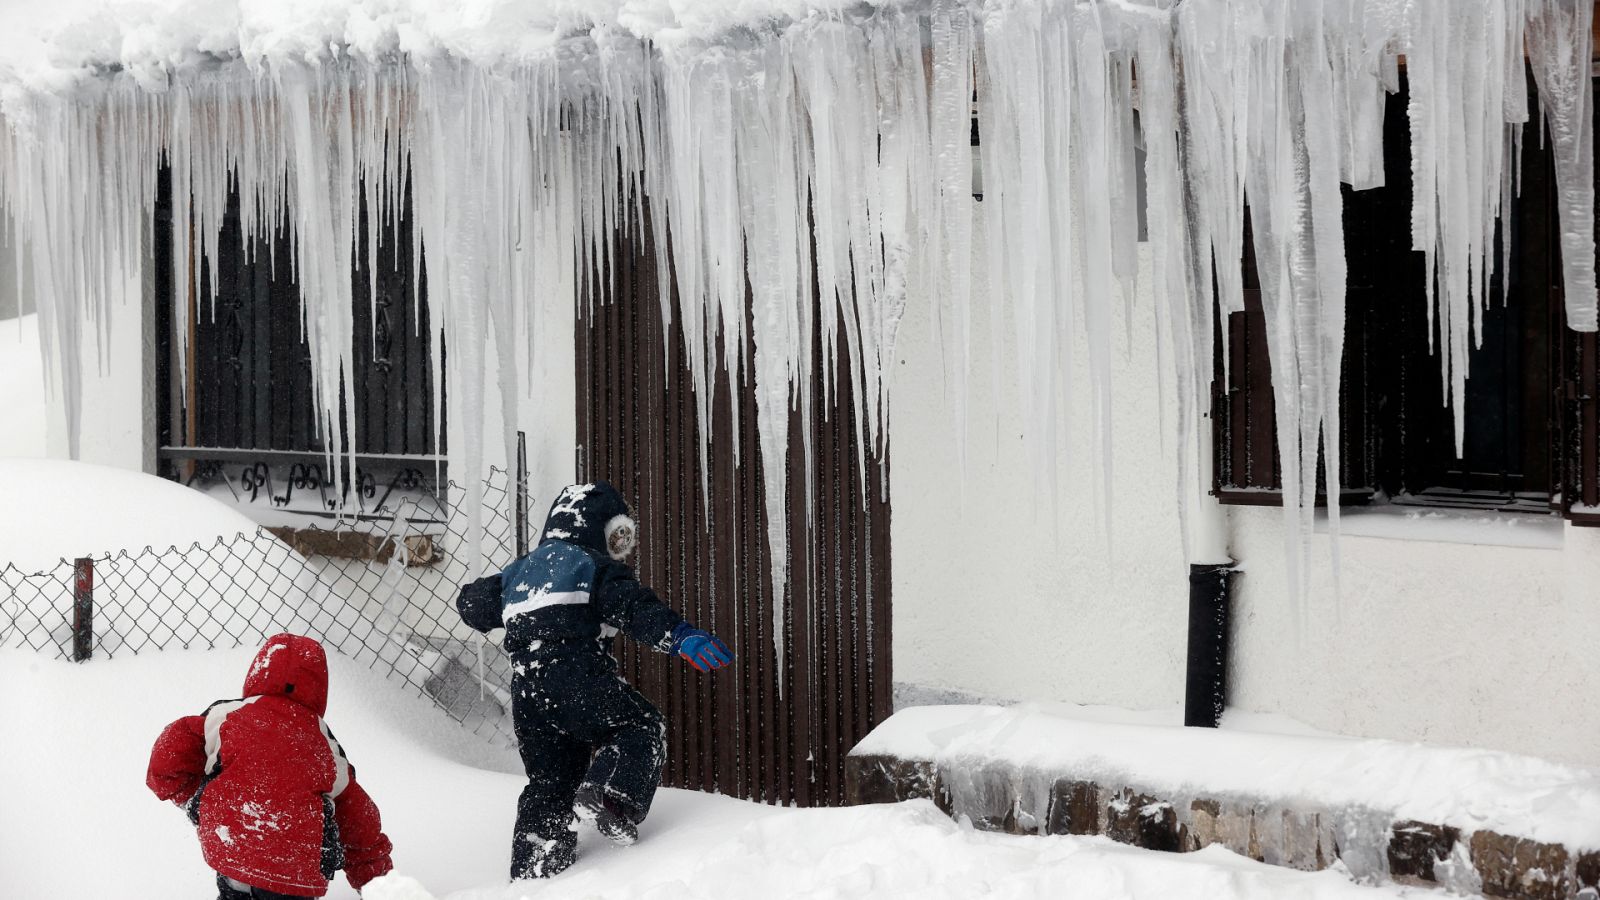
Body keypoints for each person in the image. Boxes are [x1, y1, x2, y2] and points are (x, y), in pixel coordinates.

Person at [456, 480, 733, 880]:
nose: (620, 546)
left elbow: (474, 605)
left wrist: (475, 598)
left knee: (550, 779)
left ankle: (534, 869)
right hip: (576, 675)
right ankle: (611, 797)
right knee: (640, 724)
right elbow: (633, 607)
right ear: (598, 529)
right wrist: (679, 635)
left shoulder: (518, 571)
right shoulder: (590, 565)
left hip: (529, 691)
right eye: (617, 536)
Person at [146, 633, 394, 898]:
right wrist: (378, 885)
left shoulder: (227, 715)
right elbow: (360, 822)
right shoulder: (325, 745)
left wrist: (197, 800)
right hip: (296, 873)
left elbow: (168, 754)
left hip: (232, 846)